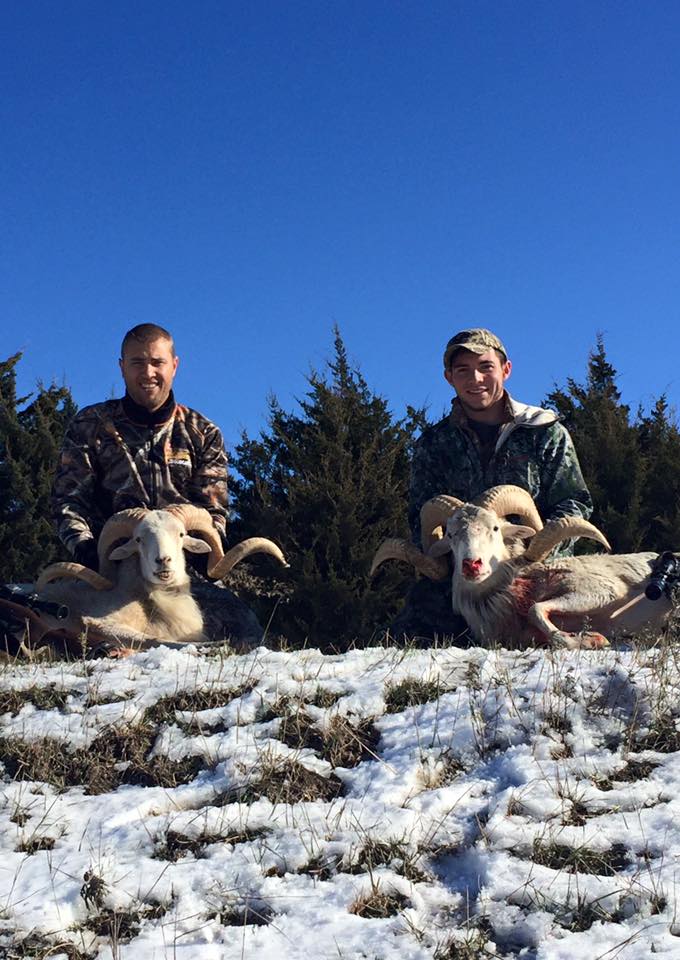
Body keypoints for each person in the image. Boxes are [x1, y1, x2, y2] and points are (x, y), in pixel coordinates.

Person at [51, 323, 262, 648]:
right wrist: (86, 548)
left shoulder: (202, 433)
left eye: (157, 362)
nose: (147, 372)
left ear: (174, 365)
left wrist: (209, 549)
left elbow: (214, 509)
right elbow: (68, 501)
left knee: (244, 628)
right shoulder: (90, 426)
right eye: (136, 362)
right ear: (122, 367)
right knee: (68, 627)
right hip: (110, 573)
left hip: (179, 572)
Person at [391, 327, 593, 643]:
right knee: (410, 634)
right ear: (449, 378)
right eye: (463, 371)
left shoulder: (544, 431)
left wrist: (536, 551)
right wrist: (441, 561)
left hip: (533, 569)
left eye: (486, 367)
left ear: (506, 369)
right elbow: (422, 515)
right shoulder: (433, 444)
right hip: (464, 572)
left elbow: (575, 502)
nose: (475, 379)